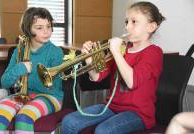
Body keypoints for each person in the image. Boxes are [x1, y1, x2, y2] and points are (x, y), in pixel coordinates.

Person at [61, 1, 165, 134]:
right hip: (111, 107)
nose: (127, 27)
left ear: (151, 27)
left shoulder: (153, 52)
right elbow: (97, 77)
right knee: (69, 121)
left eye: (134, 22)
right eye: (126, 22)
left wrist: (116, 52)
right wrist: (89, 59)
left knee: (103, 131)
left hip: (139, 114)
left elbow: (132, 82)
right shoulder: (122, 49)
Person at [0, 7, 64, 133]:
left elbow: (53, 87)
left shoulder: (56, 52)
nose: (46, 31)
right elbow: (5, 82)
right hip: (23, 95)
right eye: (39, 28)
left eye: (48, 26)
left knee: (24, 117)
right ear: (28, 29)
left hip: (50, 96)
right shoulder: (18, 50)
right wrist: (20, 68)